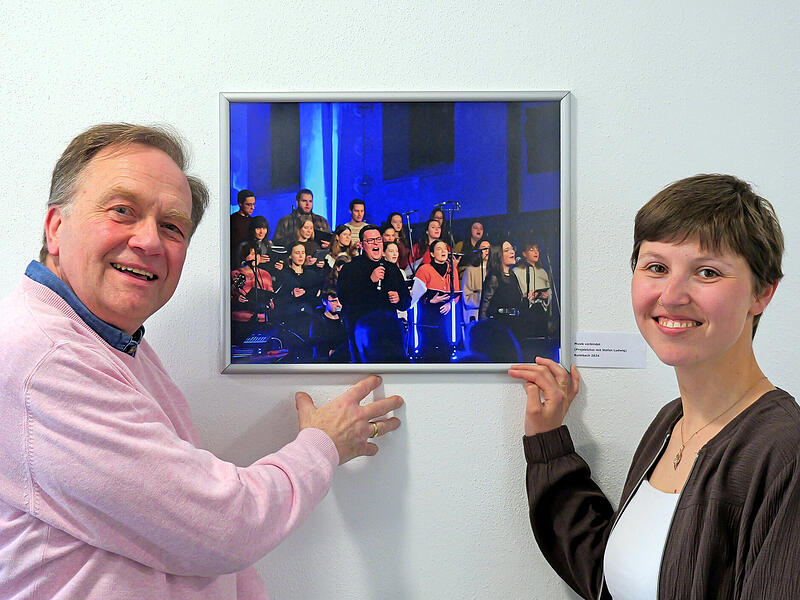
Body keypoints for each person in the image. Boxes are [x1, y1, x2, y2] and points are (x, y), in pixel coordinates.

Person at [0, 123, 403, 599]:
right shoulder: (47, 359)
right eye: (122, 210)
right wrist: (324, 444)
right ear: (56, 227)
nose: (149, 241)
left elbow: (190, 546)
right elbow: (224, 527)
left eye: (172, 226)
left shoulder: (114, 341)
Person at [512, 174, 800, 600]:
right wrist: (548, 442)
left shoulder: (784, 451)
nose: (672, 294)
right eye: (657, 267)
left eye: (706, 272)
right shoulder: (670, 421)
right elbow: (610, 577)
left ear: (763, 293)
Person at [337, 225, 411, 361]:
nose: (376, 243)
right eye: (371, 240)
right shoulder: (350, 269)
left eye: (378, 239)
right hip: (363, 332)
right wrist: (370, 281)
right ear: (361, 245)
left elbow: (406, 301)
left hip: (389, 332)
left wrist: (399, 299)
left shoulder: (392, 269)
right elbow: (345, 299)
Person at [410, 239, 461, 360]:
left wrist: (450, 304)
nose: (443, 251)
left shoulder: (452, 270)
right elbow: (416, 294)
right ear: (432, 254)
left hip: (446, 314)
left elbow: (457, 293)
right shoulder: (424, 269)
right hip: (428, 314)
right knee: (428, 349)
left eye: (445, 248)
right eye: (439, 249)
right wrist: (429, 301)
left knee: (446, 348)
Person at [480, 239, 526, 343]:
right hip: (500, 328)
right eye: (506, 250)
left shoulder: (513, 276)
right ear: (498, 255)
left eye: (512, 249)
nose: (512, 252)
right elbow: (484, 307)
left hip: (515, 326)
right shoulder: (494, 277)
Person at [273, 241, 322, 338]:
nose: (301, 256)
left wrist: (308, 293)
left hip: (309, 317)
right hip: (290, 318)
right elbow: (278, 299)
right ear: (290, 256)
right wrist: (291, 294)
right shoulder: (283, 275)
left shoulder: (312, 274)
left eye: (303, 253)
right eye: (297, 253)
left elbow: (317, 296)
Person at [231, 242, 274, 345]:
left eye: (257, 254)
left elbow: (271, 297)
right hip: (241, 320)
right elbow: (229, 298)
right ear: (244, 256)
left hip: (262, 320)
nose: (255, 257)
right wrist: (237, 299)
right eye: (251, 254)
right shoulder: (235, 274)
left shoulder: (266, 275)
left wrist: (270, 302)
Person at [512, 240, 551, 339]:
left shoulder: (543, 272)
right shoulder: (516, 271)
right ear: (524, 254)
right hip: (526, 313)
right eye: (531, 250)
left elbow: (549, 290)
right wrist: (525, 296)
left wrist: (546, 295)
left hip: (541, 311)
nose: (536, 252)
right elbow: (514, 292)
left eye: (537, 250)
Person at [308, 288, 348, 361]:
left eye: (340, 301)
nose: (339, 305)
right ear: (324, 302)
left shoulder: (345, 319)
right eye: (334, 301)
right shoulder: (317, 321)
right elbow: (316, 346)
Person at [461, 239, 491, 322]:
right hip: (475, 313)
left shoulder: (494, 270)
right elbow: (466, 296)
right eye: (484, 248)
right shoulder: (471, 270)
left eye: (489, 248)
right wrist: (482, 296)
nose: (487, 251)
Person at [230, 189, 255, 259]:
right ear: (240, 203)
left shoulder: (253, 221)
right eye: (248, 204)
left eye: (253, 204)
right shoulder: (232, 220)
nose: (252, 208)